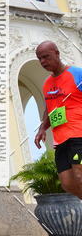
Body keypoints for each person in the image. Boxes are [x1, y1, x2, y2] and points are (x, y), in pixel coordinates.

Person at [34, 41, 82, 199]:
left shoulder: (76, 74)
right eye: (39, 58)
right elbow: (50, 108)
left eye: (46, 57)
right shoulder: (47, 84)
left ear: (57, 53)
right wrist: (42, 128)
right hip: (61, 140)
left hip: (78, 136)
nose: (42, 62)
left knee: (80, 174)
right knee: (67, 183)